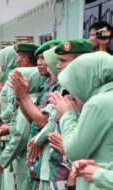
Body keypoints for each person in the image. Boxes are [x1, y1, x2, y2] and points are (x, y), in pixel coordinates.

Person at [29, 39, 94, 190]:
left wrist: (69, 149)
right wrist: (38, 139)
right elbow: (52, 121)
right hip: (57, 171)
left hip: (76, 175)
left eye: (63, 61)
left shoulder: (89, 97)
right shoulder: (64, 91)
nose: (57, 66)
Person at [49, 51, 113, 190]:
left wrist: (68, 115)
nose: (73, 93)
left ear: (87, 79)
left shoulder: (98, 103)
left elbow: (73, 151)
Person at [9, 40, 61, 190]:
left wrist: (24, 96)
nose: (39, 62)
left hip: (51, 158)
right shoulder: (47, 85)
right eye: (37, 58)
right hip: (39, 159)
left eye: (44, 58)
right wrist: (20, 97)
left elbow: (44, 122)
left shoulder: (60, 87)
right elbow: (32, 119)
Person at [0, 43, 40, 190]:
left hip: (23, 156)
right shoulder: (30, 98)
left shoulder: (29, 100)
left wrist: (3, 160)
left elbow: (21, 133)